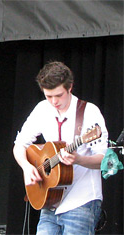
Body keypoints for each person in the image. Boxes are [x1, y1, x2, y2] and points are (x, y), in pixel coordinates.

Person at [13, 61, 108, 234]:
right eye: (48, 96)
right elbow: (20, 144)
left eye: (59, 95)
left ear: (70, 87)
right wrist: (27, 168)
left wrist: (79, 159)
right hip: (50, 201)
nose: (54, 101)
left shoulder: (89, 112)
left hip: (82, 200)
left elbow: (103, 160)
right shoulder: (42, 109)